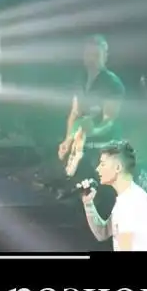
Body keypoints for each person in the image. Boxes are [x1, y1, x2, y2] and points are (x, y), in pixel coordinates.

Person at [57, 35, 126, 191]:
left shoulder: (113, 84)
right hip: (82, 146)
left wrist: (92, 131)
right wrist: (67, 140)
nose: (92, 59)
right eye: (89, 54)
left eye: (96, 55)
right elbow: (75, 113)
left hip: (104, 148)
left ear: (105, 56)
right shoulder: (79, 79)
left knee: (98, 191)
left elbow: (109, 121)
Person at [81, 140, 147, 251]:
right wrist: (88, 203)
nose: (97, 168)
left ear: (117, 167)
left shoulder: (132, 201)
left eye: (102, 164)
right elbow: (102, 233)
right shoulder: (126, 199)